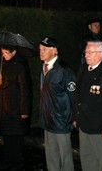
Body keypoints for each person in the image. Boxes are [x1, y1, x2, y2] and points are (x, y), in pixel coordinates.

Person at [73, 41, 102, 171]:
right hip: (84, 125)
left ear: (101, 54)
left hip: (100, 129)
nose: (87, 55)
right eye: (86, 52)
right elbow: (77, 95)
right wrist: (76, 117)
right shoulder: (83, 69)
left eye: (90, 52)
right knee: (87, 161)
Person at [38, 37, 76, 171]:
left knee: (65, 156)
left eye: (44, 49)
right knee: (51, 154)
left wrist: (73, 118)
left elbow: (73, 96)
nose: (41, 52)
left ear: (54, 51)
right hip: (47, 120)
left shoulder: (65, 70)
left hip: (61, 121)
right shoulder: (44, 67)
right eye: (40, 49)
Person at [0, 45, 33, 171]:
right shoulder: (3, 65)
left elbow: (24, 89)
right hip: (4, 108)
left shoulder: (20, 66)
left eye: (6, 52)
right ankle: (8, 161)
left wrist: (24, 110)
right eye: (2, 53)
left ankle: (17, 162)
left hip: (16, 107)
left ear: (14, 51)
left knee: (16, 136)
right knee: (7, 136)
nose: (4, 55)